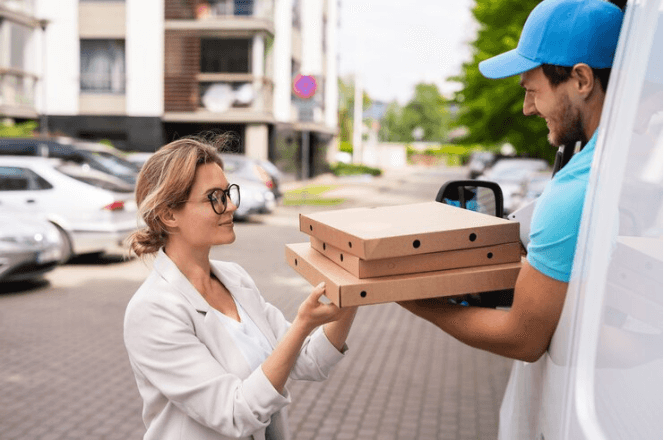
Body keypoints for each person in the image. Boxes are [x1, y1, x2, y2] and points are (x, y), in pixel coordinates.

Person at [399, 0, 623, 364]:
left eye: (532, 90)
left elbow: (522, 340)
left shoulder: (579, 189)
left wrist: (415, 298)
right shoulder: (633, 159)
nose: (527, 108)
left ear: (582, 80)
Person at [123, 135, 357, 440]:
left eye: (229, 192)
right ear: (169, 214)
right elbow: (234, 414)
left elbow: (308, 361)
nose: (231, 205)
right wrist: (302, 324)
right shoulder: (152, 311)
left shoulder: (235, 278)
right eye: (214, 196)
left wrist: (354, 291)